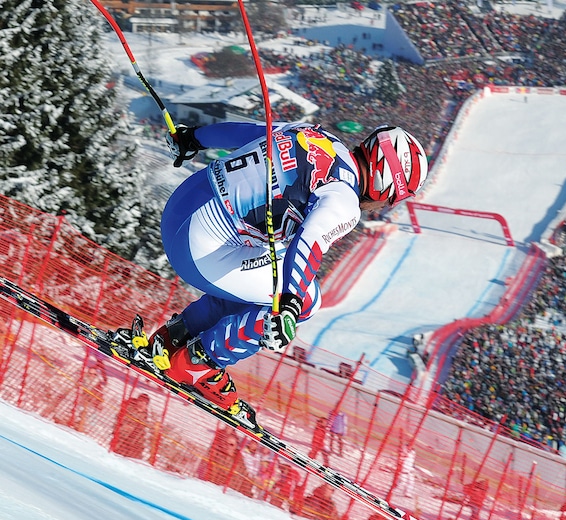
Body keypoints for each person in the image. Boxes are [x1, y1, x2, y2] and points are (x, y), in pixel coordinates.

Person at [132, 121, 428, 422]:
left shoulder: (317, 136)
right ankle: (198, 363)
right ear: (384, 182)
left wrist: (192, 137)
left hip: (180, 206)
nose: (383, 207)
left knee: (271, 275)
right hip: (197, 249)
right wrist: (288, 306)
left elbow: (244, 133)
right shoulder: (343, 199)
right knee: (307, 298)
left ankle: (176, 337)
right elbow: (309, 243)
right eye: (392, 198)